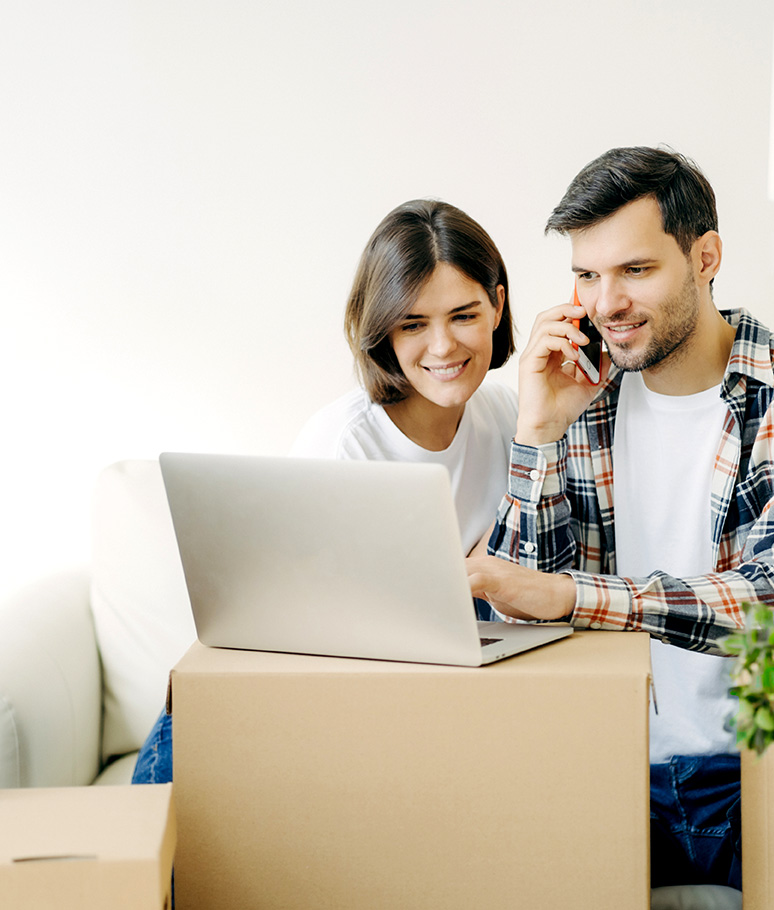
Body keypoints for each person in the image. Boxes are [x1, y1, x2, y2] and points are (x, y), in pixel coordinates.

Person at [465, 147, 774, 891]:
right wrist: (535, 435)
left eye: (634, 270)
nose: (605, 303)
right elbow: (507, 610)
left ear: (705, 257)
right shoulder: (576, 398)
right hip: (600, 769)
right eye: (586, 276)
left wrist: (575, 597)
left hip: (765, 773)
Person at [134, 198, 518, 789]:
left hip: (394, 704)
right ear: (380, 330)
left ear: (497, 304)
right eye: (413, 324)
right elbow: (313, 648)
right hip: (253, 709)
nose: (442, 347)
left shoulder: (509, 418)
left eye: (463, 315)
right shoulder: (345, 443)